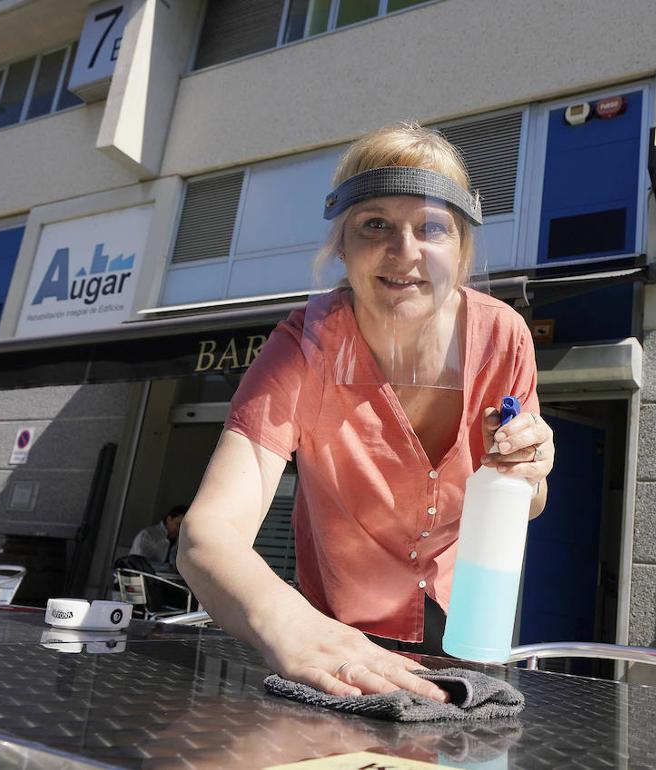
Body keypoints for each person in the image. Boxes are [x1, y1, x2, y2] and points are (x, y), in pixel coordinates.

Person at [177, 122, 555, 704]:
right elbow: (207, 534)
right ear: (343, 247)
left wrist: (528, 470)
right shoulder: (304, 347)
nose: (405, 252)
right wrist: (291, 625)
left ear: (462, 250)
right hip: (331, 632)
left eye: (432, 227)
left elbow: (526, 502)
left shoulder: (503, 337)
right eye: (375, 224)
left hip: (466, 629)